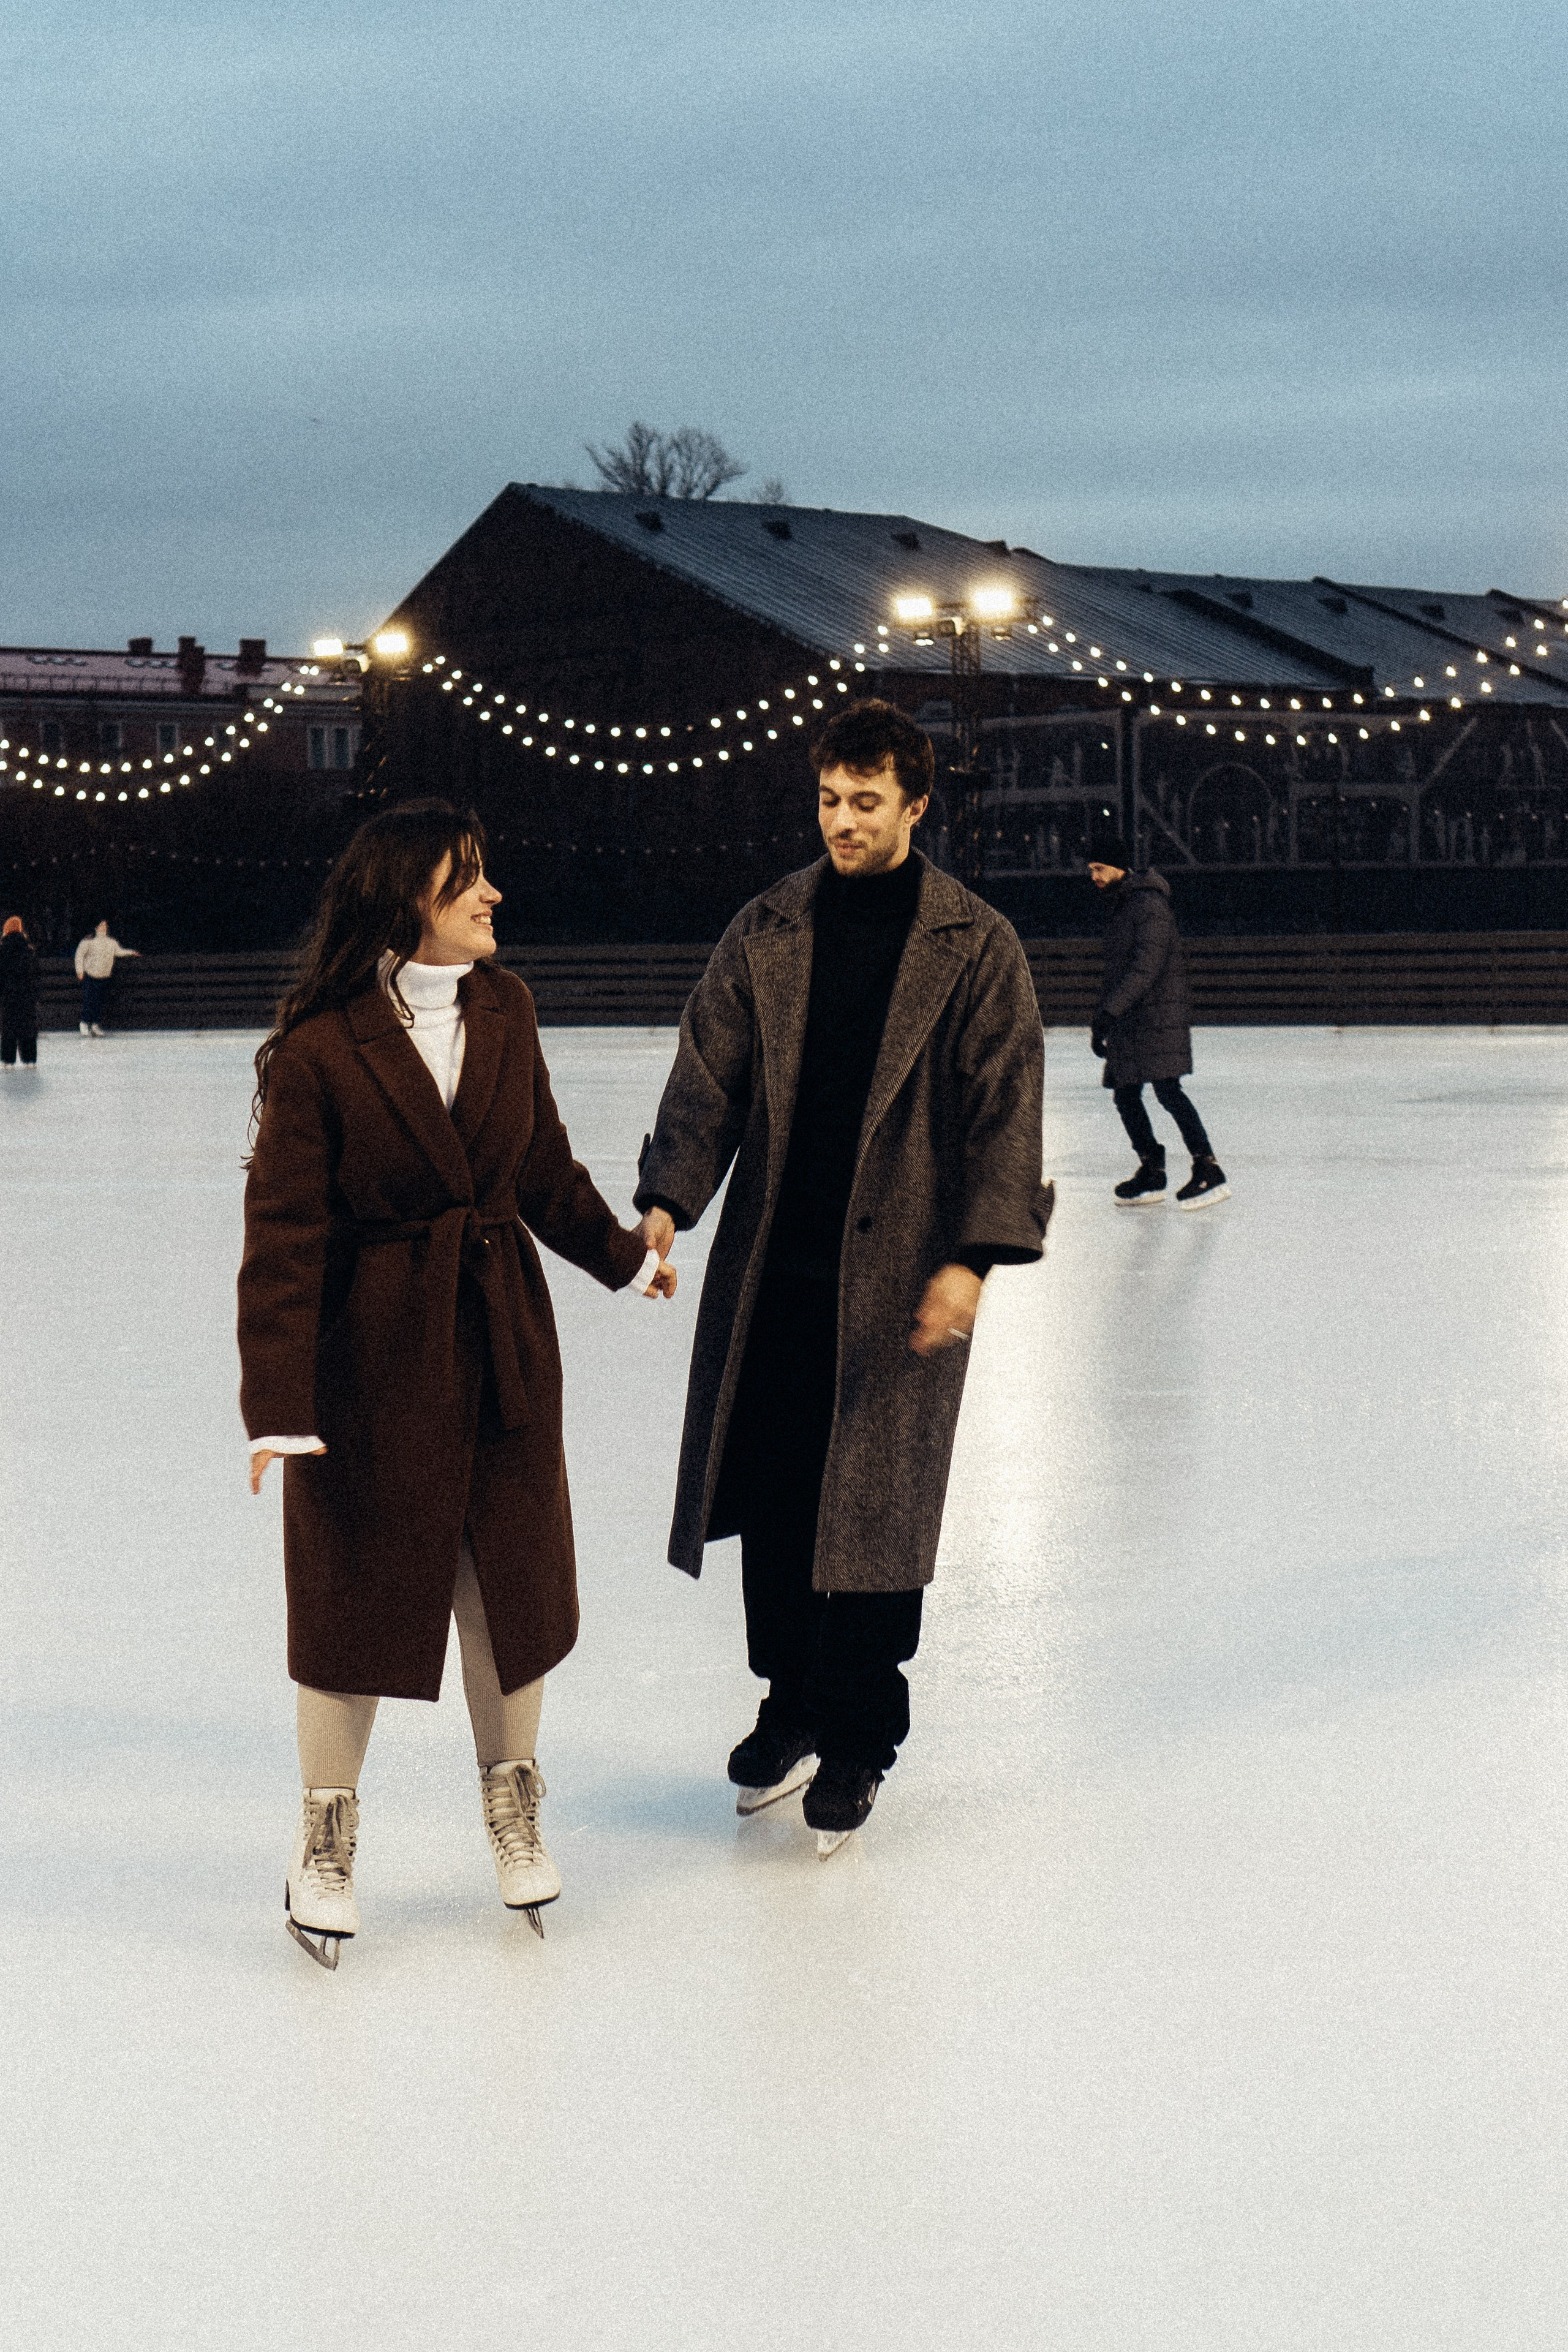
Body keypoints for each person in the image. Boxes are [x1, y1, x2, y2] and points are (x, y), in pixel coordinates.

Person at [237, 799, 675, 1968]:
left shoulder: (507, 1006)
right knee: (355, 1598)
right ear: (405, 906)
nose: (492, 897)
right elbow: (284, 1235)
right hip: (371, 1363)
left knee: (511, 1588)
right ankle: (325, 1833)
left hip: (502, 1344)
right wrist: (279, 1404)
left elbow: (539, 1163)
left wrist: (625, 1257)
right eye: (465, 881)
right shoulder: (322, 1051)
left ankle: (514, 1805)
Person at [634, 700, 1052, 1855]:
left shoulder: (976, 945)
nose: (843, 822)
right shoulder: (767, 927)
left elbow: (1002, 1116)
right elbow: (707, 1075)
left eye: (867, 803)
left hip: (905, 1275)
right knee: (777, 1487)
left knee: (871, 1501)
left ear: (917, 806)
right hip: (779, 1258)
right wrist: (671, 1198)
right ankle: (788, 1703)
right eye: (829, 799)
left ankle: (862, 1731)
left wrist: (972, 1260)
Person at [1088, 833, 1228, 1207]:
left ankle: (1208, 1166)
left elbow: (1145, 968)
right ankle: (1152, 1167)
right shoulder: (1123, 905)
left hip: (1157, 1015)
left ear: (1120, 867)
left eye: (1099, 869)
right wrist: (1105, 1020)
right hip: (1134, 1019)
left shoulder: (1149, 906)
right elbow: (1119, 971)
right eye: (1091, 870)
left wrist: (1109, 1012)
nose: (1094, 877)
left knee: (1168, 1090)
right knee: (1125, 1094)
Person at [73, 919, 140, 1036]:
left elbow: (118, 952)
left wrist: (131, 952)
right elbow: (79, 956)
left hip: (104, 975)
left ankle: (95, 1025)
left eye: (105, 925)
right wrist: (80, 971)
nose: (104, 927)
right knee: (90, 1000)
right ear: (95, 927)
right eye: (101, 925)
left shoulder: (111, 942)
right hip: (91, 975)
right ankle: (84, 1023)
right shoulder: (88, 941)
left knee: (99, 1001)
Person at [1, 916, 39, 1067]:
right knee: (28, 1027)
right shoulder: (29, 949)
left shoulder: (2, 949)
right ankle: (29, 1059)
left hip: (8, 995)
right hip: (27, 995)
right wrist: (36, 995)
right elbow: (35, 974)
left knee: (9, 1027)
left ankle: (8, 1060)